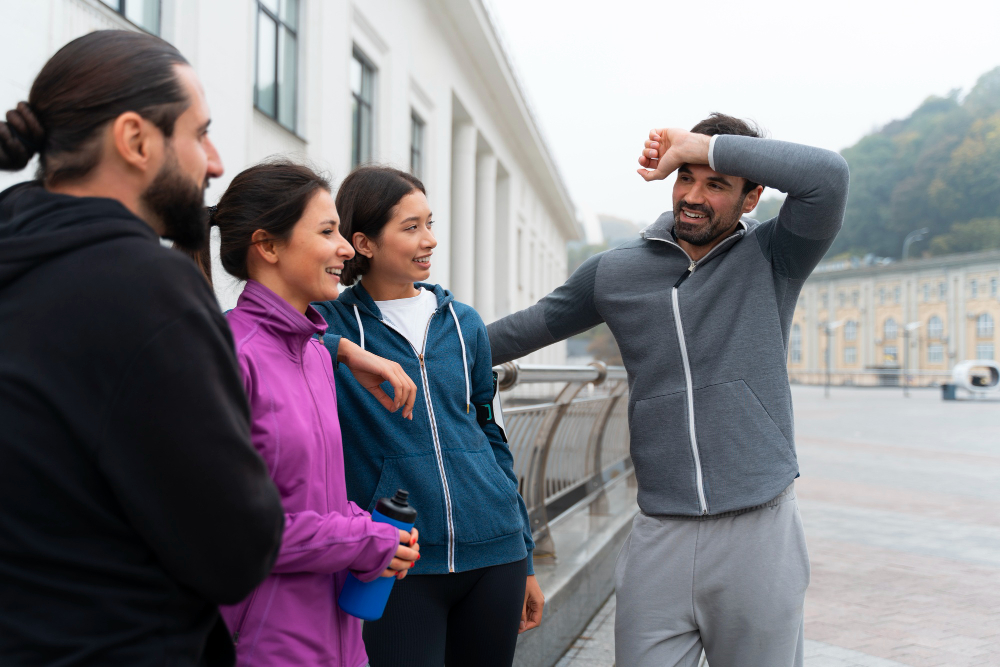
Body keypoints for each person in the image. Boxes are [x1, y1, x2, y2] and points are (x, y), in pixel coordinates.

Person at [487, 113, 851, 667]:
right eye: (686, 177)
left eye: (716, 183)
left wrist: (700, 144)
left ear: (752, 198)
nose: (693, 197)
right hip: (661, 530)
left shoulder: (775, 257)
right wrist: (402, 350)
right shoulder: (617, 271)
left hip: (759, 531)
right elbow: (527, 327)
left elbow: (828, 176)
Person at [0, 31, 285, 665]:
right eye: (198, 133)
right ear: (135, 140)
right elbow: (234, 548)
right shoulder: (146, 288)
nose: (214, 161)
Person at [313, 166, 545, 667]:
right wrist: (349, 352)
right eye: (411, 227)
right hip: (396, 561)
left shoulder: (464, 324)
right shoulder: (330, 320)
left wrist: (524, 555)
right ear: (364, 243)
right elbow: (254, 331)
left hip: (495, 552)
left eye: (430, 223)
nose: (430, 240)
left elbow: (491, 433)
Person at [210, 160, 422, 666]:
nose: (346, 248)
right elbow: (232, 532)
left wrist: (380, 538)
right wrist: (363, 538)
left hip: (339, 635)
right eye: (327, 231)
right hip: (263, 643)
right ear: (269, 245)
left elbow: (317, 501)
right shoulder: (224, 357)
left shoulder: (317, 354)